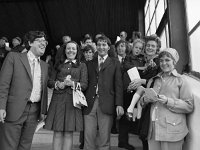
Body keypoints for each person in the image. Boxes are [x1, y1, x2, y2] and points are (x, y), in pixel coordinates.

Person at [0, 31, 49, 150]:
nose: (44, 44)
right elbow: (3, 84)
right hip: (13, 109)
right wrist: (1, 107)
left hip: (34, 111)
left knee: (25, 146)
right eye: (40, 41)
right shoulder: (13, 57)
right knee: (8, 146)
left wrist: (43, 110)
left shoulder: (44, 65)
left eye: (45, 42)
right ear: (30, 43)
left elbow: (44, 90)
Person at [141, 48, 194, 150]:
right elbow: (143, 102)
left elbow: (189, 106)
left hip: (172, 131)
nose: (163, 63)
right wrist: (145, 100)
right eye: (161, 60)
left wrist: (167, 101)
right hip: (153, 130)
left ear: (174, 62)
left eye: (167, 60)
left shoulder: (181, 80)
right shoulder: (154, 79)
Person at [44, 41, 88, 150]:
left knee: (69, 132)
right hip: (58, 100)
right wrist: (57, 84)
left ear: (77, 51)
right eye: (68, 48)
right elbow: (49, 82)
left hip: (73, 102)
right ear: (65, 50)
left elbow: (84, 85)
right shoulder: (58, 64)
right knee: (57, 131)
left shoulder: (82, 66)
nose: (71, 51)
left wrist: (72, 83)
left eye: (73, 48)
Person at [83, 35, 124, 150]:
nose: (101, 47)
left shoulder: (115, 63)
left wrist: (119, 104)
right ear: (96, 46)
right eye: (99, 44)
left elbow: (118, 85)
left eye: (104, 44)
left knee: (104, 138)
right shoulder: (89, 63)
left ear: (108, 47)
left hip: (107, 102)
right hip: (89, 102)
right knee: (88, 137)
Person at [126, 34, 161, 150]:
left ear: (157, 48)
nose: (150, 48)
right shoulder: (145, 63)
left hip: (154, 104)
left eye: (153, 46)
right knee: (143, 137)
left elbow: (160, 82)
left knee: (149, 136)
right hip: (143, 103)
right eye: (148, 46)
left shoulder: (160, 62)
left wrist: (142, 81)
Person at [118, 38, 145, 150]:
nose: (137, 50)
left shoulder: (143, 59)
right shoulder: (128, 57)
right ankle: (122, 141)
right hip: (128, 90)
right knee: (125, 117)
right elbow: (126, 67)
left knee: (135, 115)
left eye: (140, 48)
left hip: (138, 91)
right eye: (136, 47)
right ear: (132, 47)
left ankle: (133, 134)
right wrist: (141, 68)